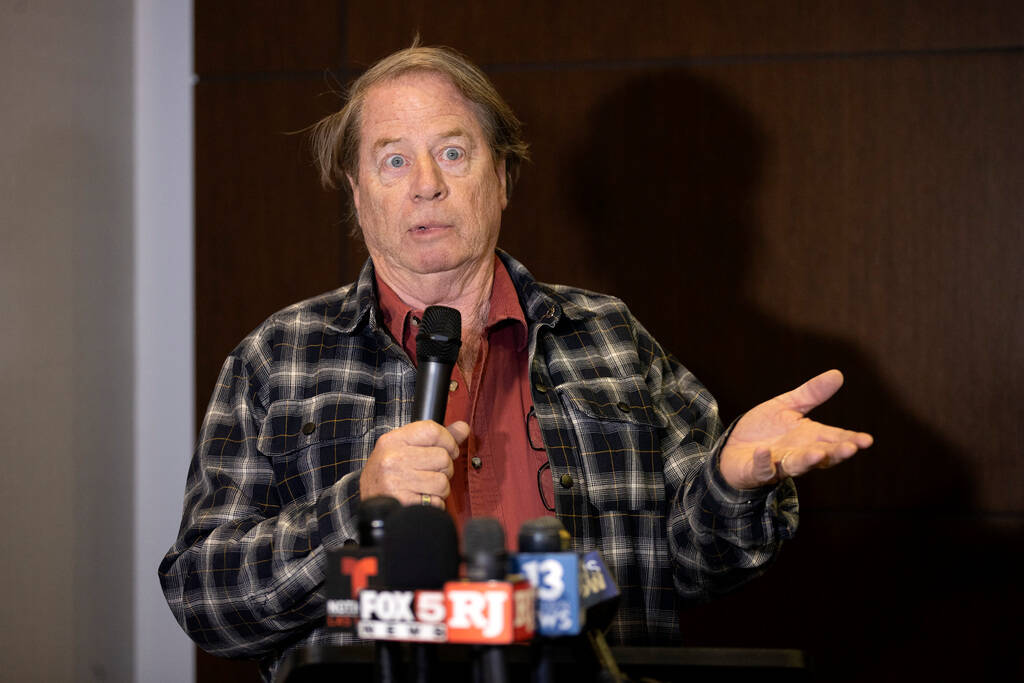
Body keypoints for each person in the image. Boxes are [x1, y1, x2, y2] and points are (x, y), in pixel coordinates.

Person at [159, 44, 873, 682]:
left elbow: (695, 561)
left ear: (502, 175)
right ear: (356, 193)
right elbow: (204, 595)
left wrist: (731, 481)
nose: (427, 184)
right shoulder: (277, 358)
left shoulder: (609, 335)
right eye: (393, 159)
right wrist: (353, 506)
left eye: (455, 152)